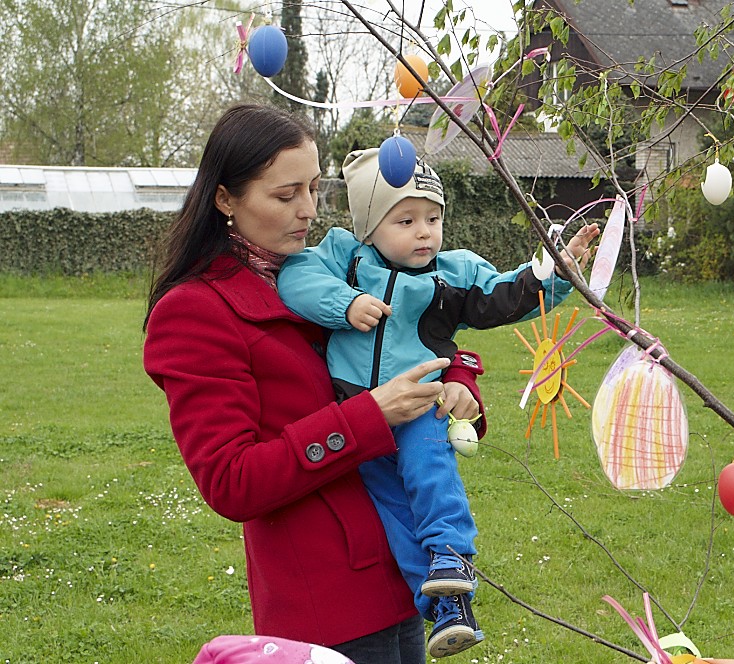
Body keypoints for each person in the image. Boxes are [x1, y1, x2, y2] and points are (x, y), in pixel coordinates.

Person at [142, 103, 487, 664]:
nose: (308, 210)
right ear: (225, 199)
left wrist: (457, 377)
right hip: (326, 598)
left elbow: (410, 337)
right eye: (286, 195)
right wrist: (371, 415)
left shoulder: (332, 275)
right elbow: (231, 481)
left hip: (403, 569)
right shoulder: (195, 311)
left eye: (313, 188)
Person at [277, 147, 599, 657]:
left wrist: (554, 273)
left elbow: (505, 295)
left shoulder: (452, 273)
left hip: (421, 406)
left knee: (432, 474)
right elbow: (296, 276)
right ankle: (447, 607)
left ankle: (452, 555)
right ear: (369, 227)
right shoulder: (345, 255)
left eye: (433, 218)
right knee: (395, 516)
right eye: (405, 220)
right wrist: (346, 303)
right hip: (361, 419)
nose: (424, 233)